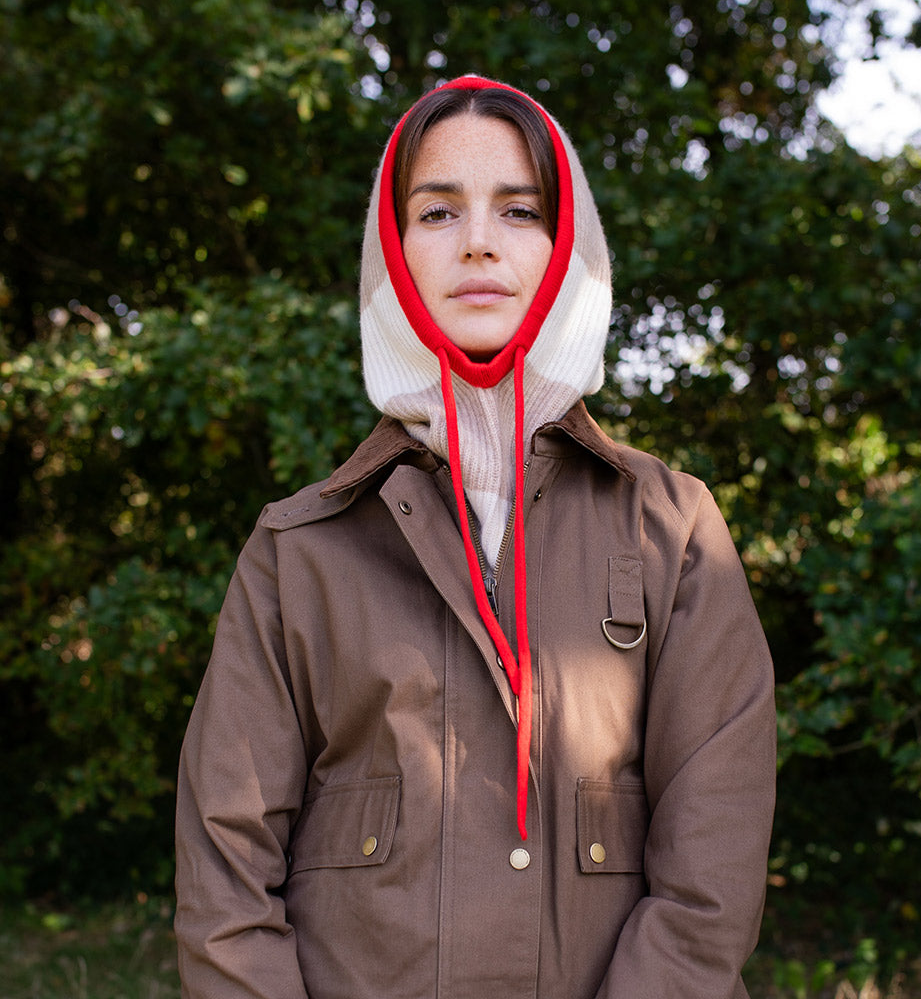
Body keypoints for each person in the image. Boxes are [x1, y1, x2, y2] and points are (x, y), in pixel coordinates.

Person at [174, 75, 776, 999]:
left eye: (521, 209)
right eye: (439, 211)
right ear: (395, 250)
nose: (481, 241)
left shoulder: (673, 526)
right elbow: (225, 878)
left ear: (566, 245)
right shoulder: (298, 550)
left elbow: (713, 862)